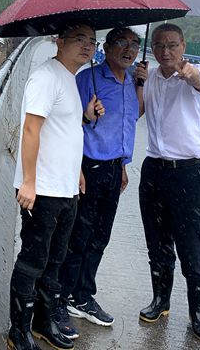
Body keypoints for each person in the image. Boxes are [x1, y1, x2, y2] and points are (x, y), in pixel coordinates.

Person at [8, 23, 103, 350]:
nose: (87, 46)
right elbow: (31, 129)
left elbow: (64, 131)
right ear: (59, 42)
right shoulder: (46, 77)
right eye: (79, 39)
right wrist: (28, 182)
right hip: (42, 191)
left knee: (55, 261)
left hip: (65, 189)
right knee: (33, 262)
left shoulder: (69, 79)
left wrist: (77, 169)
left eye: (92, 41)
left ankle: (43, 322)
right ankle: (18, 331)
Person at [55, 27, 148, 339]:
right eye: (121, 42)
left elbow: (131, 117)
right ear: (106, 48)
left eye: (134, 43)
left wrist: (122, 164)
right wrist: (76, 166)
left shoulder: (132, 80)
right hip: (89, 166)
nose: (129, 49)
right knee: (77, 236)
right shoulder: (88, 79)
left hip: (113, 168)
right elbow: (69, 123)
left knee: (100, 237)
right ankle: (60, 298)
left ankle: (82, 295)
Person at [138, 23, 200, 342]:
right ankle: (161, 300)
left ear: (183, 46)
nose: (165, 51)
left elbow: (197, 80)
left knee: (191, 245)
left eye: (172, 45)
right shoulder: (150, 77)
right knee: (157, 242)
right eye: (159, 45)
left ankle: (197, 312)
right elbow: (135, 113)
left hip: (190, 172)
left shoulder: (198, 73)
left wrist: (188, 73)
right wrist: (138, 83)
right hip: (155, 169)